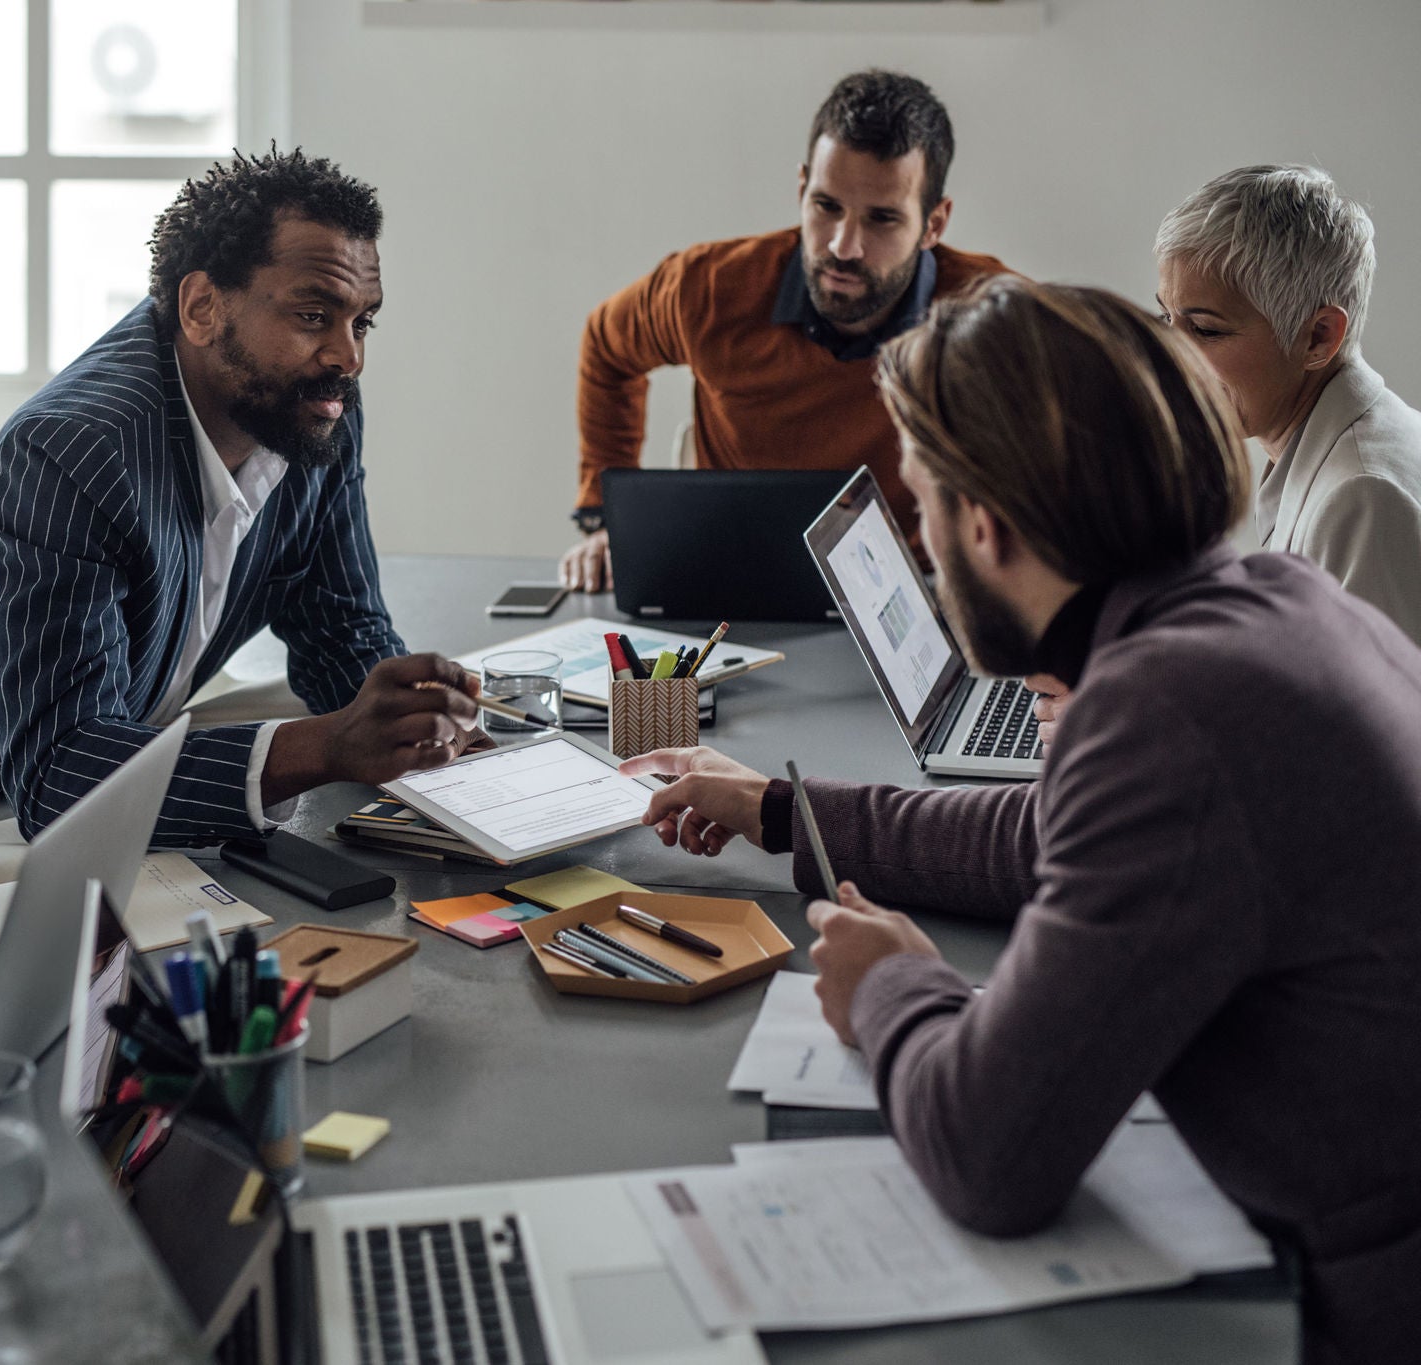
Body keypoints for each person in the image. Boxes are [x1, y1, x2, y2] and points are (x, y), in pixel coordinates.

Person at [621, 278, 1421, 1362]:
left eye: (921, 512)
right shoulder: (1270, 605)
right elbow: (1042, 835)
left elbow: (987, 1157)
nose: (923, 553)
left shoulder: (1168, 711)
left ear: (986, 526)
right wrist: (778, 811)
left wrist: (889, 984)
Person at [0, 148, 478, 846]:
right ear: (202, 307)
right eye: (314, 315)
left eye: (362, 321)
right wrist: (328, 745)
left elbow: (340, 629)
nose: (348, 356)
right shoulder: (70, 450)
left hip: (105, 793)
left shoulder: (312, 407)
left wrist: (417, 730)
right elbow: (59, 777)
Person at [559, 69, 1010, 591]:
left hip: (915, 592)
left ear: (933, 224)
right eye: (826, 207)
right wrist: (602, 517)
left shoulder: (990, 314)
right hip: (731, 585)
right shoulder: (707, 289)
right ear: (801, 189)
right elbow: (606, 345)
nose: (843, 246)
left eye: (881, 218)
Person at [1030, 164, 1421, 744]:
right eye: (1168, 318)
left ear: (1318, 338)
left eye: (1206, 331)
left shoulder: (1362, 495)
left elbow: (1367, 761)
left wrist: (1134, 732)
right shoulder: (1317, 443)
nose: (1171, 355)